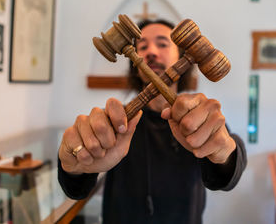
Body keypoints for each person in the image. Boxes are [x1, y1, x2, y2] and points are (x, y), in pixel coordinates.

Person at [58, 19, 247, 224]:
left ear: (181, 55)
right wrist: (75, 167)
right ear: (134, 61)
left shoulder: (200, 122)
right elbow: (75, 188)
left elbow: (228, 170)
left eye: (163, 44)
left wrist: (226, 154)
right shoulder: (116, 124)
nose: (151, 52)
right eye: (143, 46)